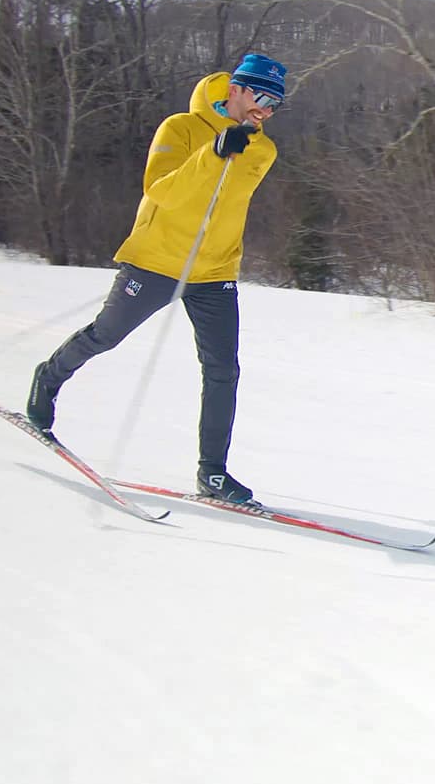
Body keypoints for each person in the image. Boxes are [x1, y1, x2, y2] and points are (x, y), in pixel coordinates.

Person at [24, 53, 289, 505]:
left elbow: (224, 204)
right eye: (261, 96)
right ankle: (48, 377)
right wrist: (213, 152)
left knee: (224, 370)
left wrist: (231, 151)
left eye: (276, 104)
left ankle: (213, 474)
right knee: (105, 336)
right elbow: (162, 191)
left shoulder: (264, 149)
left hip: (215, 272)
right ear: (236, 89)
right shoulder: (180, 128)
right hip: (157, 261)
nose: (265, 109)